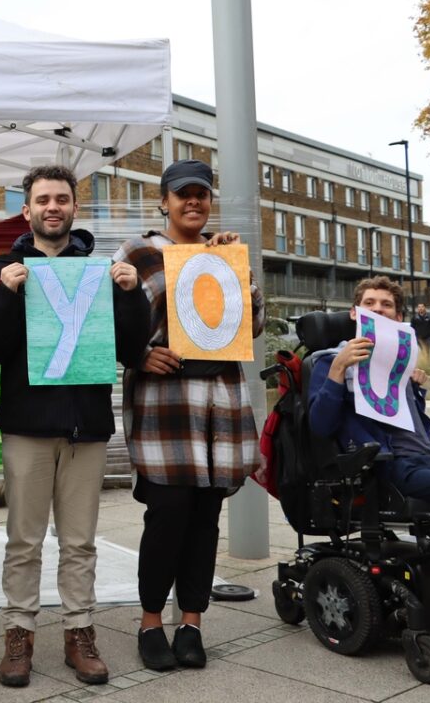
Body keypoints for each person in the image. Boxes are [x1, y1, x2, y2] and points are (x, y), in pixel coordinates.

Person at [0, 166, 150, 687]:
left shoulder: (100, 270)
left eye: (62, 199)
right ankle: (18, 635)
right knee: (23, 541)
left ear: (74, 208)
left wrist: (132, 293)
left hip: (86, 428)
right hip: (27, 427)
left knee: (80, 542)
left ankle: (80, 632)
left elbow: (131, 349)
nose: (53, 207)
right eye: (42, 199)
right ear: (26, 210)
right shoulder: (7, 268)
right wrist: (5, 295)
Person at [113, 159, 264, 672]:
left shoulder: (222, 255)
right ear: (164, 201)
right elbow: (107, 323)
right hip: (165, 409)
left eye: (201, 194)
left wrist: (238, 272)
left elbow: (255, 325)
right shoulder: (138, 253)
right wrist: (136, 356)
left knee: (205, 519)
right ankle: (151, 621)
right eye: (183, 194)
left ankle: (192, 622)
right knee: (167, 516)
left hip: (219, 408)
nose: (193, 202)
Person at [309, 276, 430, 518]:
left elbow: (412, 428)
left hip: (428, 459)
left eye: (386, 304)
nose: (377, 309)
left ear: (398, 317)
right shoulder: (331, 360)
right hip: (392, 466)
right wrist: (338, 369)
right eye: (369, 303)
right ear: (355, 313)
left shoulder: (402, 362)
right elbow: (320, 426)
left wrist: (415, 389)